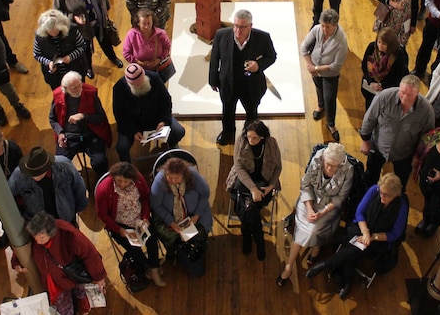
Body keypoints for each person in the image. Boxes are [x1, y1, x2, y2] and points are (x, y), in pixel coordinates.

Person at [306, 173, 408, 300]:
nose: (382, 196)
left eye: (386, 195)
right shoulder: (374, 190)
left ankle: (327, 265)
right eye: (381, 192)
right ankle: (347, 282)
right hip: (361, 227)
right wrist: (365, 232)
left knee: (357, 247)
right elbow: (360, 212)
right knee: (357, 246)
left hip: (380, 239)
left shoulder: (401, 206)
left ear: (395, 194)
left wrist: (372, 237)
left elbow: (394, 234)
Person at [277, 143, 354, 287]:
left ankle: (315, 247)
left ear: (340, 164)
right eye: (328, 164)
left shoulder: (348, 170)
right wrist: (310, 208)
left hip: (329, 207)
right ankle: (289, 265)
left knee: (313, 229)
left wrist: (322, 212)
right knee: (305, 228)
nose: (329, 168)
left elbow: (340, 198)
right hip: (309, 199)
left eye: (334, 166)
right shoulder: (318, 158)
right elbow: (306, 185)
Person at [209, 9, 277, 145]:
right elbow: (214, 59)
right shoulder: (221, 35)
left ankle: (249, 135)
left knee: (252, 113)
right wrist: (213, 80)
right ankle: (227, 132)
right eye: (235, 26)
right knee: (227, 111)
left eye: (242, 27)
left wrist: (258, 65)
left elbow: (272, 56)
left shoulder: (262, 37)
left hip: (251, 86)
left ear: (250, 26)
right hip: (229, 84)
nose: (238, 30)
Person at [19, 212, 106, 315]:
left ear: (51, 233)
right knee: (64, 305)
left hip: (74, 271)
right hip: (56, 280)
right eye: (35, 238)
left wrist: (99, 277)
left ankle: (82, 299)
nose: (37, 242)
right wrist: (17, 262)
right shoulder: (36, 232)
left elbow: (89, 254)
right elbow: (24, 245)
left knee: (80, 287)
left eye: (41, 238)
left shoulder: (69, 234)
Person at [94, 162, 165, 287]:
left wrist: (145, 217)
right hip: (119, 224)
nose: (122, 184)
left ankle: (154, 269)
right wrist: (119, 229)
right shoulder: (104, 189)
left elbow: (145, 198)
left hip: (139, 219)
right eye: (119, 181)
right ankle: (147, 266)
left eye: (126, 182)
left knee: (152, 239)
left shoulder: (138, 180)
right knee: (134, 248)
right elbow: (102, 215)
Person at [361, 74, 434, 187]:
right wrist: (365, 140)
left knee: (400, 184)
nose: (404, 98)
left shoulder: (426, 111)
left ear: (417, 93)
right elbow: (370, 118)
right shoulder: (384, 97)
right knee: (370, 177)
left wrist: (417, 157)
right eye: (402, 93)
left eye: (410, 95)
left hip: (405, 154)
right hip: (378, 146)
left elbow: (427, 138)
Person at [53, 0, 123, 70]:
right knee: (85, 49)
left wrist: (106, 8)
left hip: (99, 20)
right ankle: (88, 67)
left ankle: (112, 57)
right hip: (82, 28)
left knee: (105, 42)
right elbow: (58, 13)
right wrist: (73, 18)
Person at [226, 121, 282, 261]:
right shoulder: (241, 141)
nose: (251, 140)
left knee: (249, 209)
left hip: (264, 180)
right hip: (244, 179)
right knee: (251, 207)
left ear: (262, 137)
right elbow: (238, 167)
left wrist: (271, 186)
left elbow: (277, 167)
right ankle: (259, 240)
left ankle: (246, 234)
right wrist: (252, 189)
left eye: (255, 138)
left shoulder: (271, 143)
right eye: (249, 136)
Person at [150, 157, 213, 278]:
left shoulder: (193, 176)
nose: (173, 181)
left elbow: (205, 193)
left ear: (183, 175)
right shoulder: (159, 182)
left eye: (176, 178)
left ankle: (194, 253)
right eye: (170, 177)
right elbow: (156, 205)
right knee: (174, 238)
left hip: (194, 212)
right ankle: (177, 252)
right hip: (169, 215)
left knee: (200, 232)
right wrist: (171, 222)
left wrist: (196, 215)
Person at [112, 64, 185, 161]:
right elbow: (119, 115)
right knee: (121, 148)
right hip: (134, 124)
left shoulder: (154, 78)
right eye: (135, 85)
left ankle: (172, 144)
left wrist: (164, 121)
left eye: (140, 83)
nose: (138, 86)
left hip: (157, 118)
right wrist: (133, 131)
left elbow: (166, 101)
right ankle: (127, 167)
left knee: (179, 131)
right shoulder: (119, 88)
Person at [50, 72, 111, 178]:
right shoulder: (58, 96)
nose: (79, 90)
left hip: (91, 134)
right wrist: (60, 133)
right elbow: (52, 119)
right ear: (65, 88)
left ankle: (103, 181)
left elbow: (100, 118)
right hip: (69, 136)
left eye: (80, 85)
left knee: (99, 162)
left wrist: (83, 116)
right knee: (59, 164)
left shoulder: (91, 93)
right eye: (74, 88)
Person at [8, 146, 87, 225]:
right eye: (30, 173)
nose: (33, 176)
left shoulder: (64, 166)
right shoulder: (18, 175)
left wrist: (74, 211)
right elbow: (8, 196)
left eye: (37, 173)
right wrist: (19, 216)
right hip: (38, 224)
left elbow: (79, 187)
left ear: (46, 168)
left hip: (65, 218)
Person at [301, 9, 348, 141]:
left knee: (330, 98)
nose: (323, 29)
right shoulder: (317, 29)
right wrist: (310, 66)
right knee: (318, 88)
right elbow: (304, 47)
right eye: (322, 25)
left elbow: (336, 66)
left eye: (327, 27)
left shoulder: (341, 41)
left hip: (330, 74)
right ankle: (320, 106)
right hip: (314, 69)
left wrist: (316, 68)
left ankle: (331, 124)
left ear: (335, 25)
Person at [32, 8, 90, 91]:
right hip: (55, 76)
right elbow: (37, 54)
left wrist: (71, 56)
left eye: (56, 31)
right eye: (50, 32)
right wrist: (48, 63)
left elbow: (82, 46)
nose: (53, 34)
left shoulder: (72, 31)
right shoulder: (40, 37)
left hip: (75, 69)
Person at [360, 27, 410, 110]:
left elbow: (398, 76)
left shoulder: (398, 55)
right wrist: (371, 82)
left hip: (387, 89)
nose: (380, 45)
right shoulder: (372, 47)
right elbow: (364, 65)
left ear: (390, 45)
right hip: (370, 86)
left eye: (383, 44)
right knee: (369, 107)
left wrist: (381, 85)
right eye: (379, 42)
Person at [123, 8, 174, 82]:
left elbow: (167, 47)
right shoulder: (131, 35)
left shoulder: (161, 34)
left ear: (152, 22)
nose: (147, 27)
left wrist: (159, 59)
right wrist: (139, 62)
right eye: (143, 24)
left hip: (158, 69)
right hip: (139, 71)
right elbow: (126, 53)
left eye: (149, 23)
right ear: (138, 23)